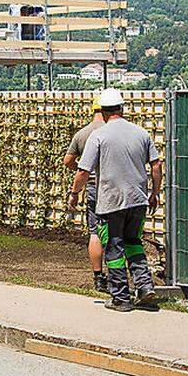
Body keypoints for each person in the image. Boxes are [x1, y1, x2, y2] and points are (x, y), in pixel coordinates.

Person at [69, 88, 163, 312]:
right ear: (122, 108)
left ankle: (121, 298)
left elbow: (83, 171)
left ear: (102, 111)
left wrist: (74, 193)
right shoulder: (141, 133)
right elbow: (156, 165)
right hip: (138, 201)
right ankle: (144, 285)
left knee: (113, 247)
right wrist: (154, 193)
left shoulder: (99, 136)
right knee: (133, 242)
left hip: (110, 203)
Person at [64, 96, 107, 293]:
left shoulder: (82, 134)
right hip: (114, 188)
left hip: (92, 187)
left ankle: (98, 276)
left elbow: (68, 161)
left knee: (95, 232)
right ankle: (120, 276)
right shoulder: (113, 131)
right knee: (118, 231)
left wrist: (82, 170)